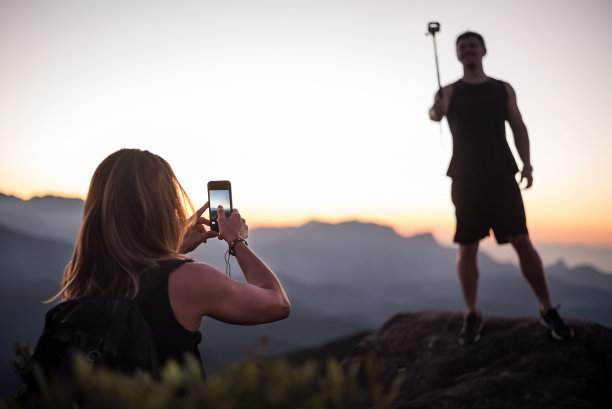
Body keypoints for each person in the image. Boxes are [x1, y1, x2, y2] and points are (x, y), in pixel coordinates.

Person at [50, 148, 291, 373]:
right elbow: (277, 303)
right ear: (164, 206)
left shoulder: (83, 275)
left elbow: (141, 280)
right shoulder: (190, 279)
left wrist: (170, 247)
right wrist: (236, 241)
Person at [428, 31, 573, 345]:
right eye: (462, 46)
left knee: (521, 239)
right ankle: (472, 312)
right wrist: (436, 108)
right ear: (456, 54)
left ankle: (547, 308)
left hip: (501, 174)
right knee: (468, 245)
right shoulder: (449, 91)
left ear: (483, 50)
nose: (468, 50)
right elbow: (434, 114)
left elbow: (518, 125)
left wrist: (527, 163)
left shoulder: (502, 89)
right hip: (466, 177)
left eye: (473, 45)